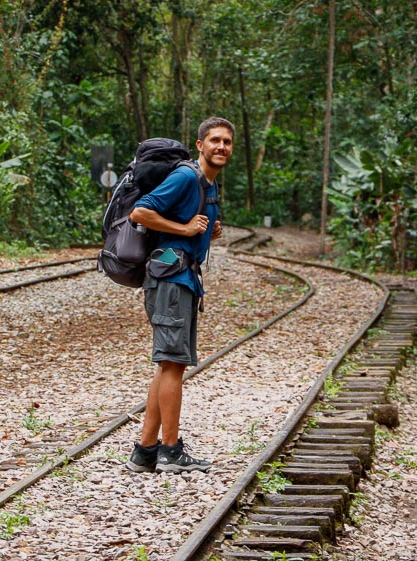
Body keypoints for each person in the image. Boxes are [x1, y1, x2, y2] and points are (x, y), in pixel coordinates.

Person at [125, 117, 234, 473]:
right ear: (199, 145)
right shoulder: (187, 176)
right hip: (171, 280)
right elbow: (140, 211)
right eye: (214, 140)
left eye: (227, 142)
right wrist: (184, 228)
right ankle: (171, 450)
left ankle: (145, 451)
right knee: (173, 364)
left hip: (181, 277)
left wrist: (205, 232)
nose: (221, 147)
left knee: (168, 364)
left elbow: (189, 227)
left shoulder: (208, 184)